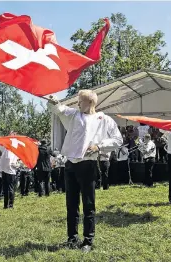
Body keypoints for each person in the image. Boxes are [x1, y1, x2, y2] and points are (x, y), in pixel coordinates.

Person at [47, 90, 122, 253]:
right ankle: (72, 238)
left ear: (89, 102)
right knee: (71, 204)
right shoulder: (75, 115)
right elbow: (59, 109)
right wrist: (53, 100)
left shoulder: (103, 119)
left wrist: (99, 146)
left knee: (88, 204)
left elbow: (118, 139)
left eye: (80, 101)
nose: (78, 104)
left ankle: (88, 240)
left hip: (88, 165)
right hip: (70, 165)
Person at [0, 133, 20, 209]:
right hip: (8, 171)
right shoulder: (9, 150)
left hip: (7, 171)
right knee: (9, 188)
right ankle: (8, 205)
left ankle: (7, 205)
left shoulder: (9, 149)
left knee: (7, 188)